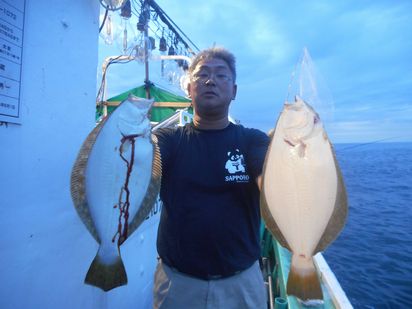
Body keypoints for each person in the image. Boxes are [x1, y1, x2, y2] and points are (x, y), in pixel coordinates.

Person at [153, 47, 270, 308]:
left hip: (241, 285)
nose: (210, 80)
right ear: (189, 89)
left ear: (234, 91)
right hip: (177, 284)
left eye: (221, 75)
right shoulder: (168, 140)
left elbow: (269, 184)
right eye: (201, 75)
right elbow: (142, 167)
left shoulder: (252, 140)